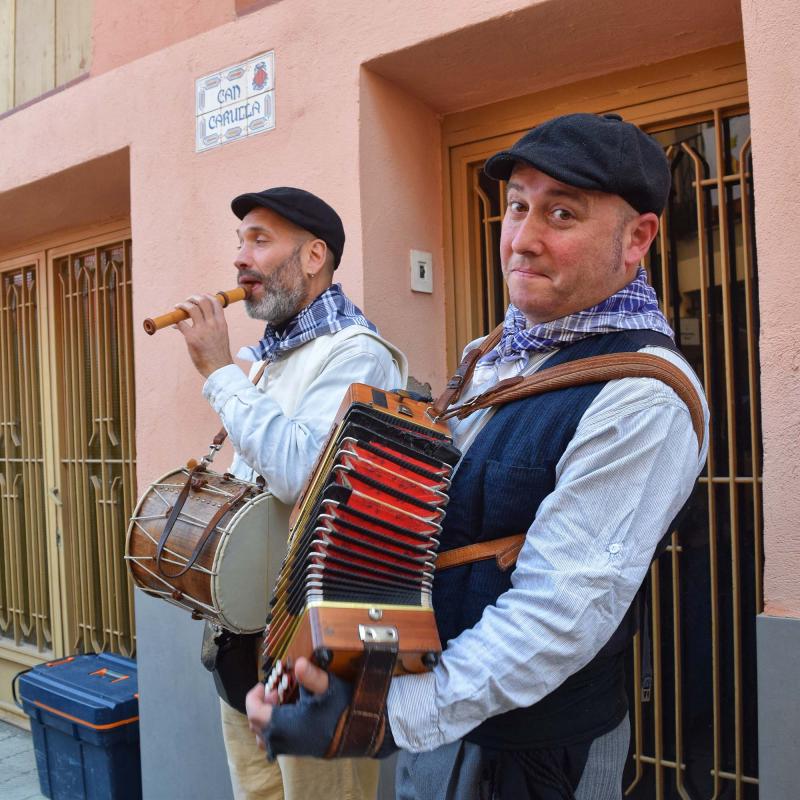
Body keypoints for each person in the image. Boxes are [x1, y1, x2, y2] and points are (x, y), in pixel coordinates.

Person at [244, 114, 710, 799]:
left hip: (539, 755)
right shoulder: (490, 354)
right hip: (445, 723)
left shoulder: (644, 396)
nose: (523, 238)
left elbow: (559, 614)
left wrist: (381, 717)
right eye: (517, 206)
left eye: (561, 213)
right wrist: (342, 667)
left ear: (637, 237)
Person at [175, 186, 406, 800]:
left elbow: (302, 474)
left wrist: (221, 372)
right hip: (248, 632)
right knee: (256, 793)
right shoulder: (272, 355)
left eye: (260, 239)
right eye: (240, 241)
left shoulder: (357, 354)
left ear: (313, 257)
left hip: (317, 644)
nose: (240, 259)